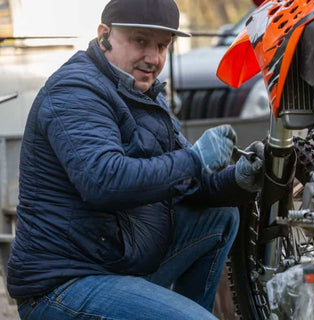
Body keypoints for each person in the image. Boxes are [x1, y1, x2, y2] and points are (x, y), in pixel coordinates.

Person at [7, 0, 264, 319]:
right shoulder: (75, 90)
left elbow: (184, 183)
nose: (153, 58)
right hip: (64, 284)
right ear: (104, 36)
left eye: (162, 45)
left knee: (219, 215)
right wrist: (195, 159)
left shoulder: (144, 94)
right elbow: (104, 181)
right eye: (140, 41)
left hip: (117, 261)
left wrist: (239, 178)